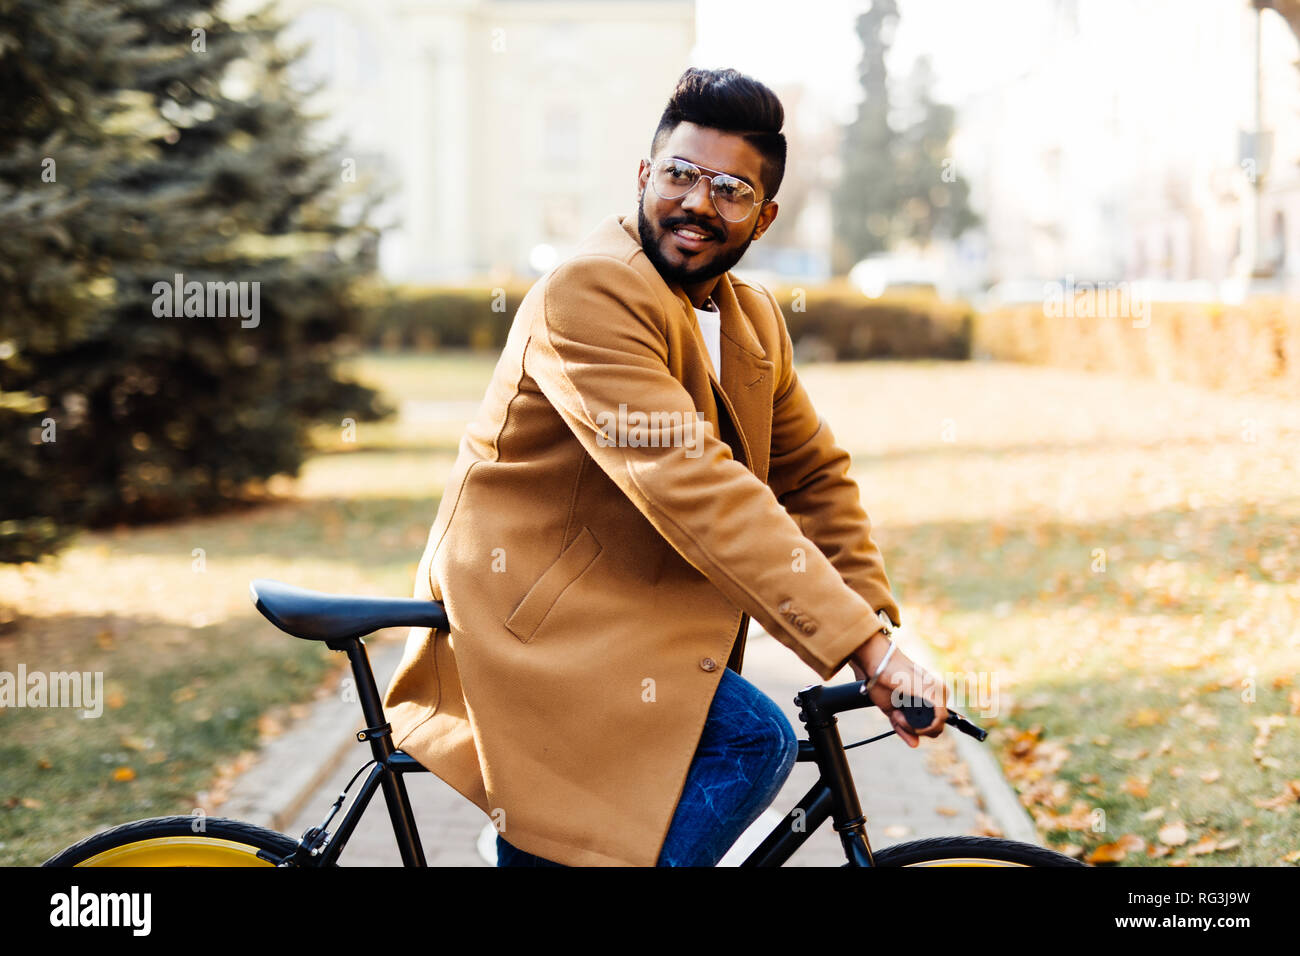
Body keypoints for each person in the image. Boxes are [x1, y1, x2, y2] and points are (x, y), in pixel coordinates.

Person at [381, 66, 948, 868]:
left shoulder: (750, 319)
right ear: (645, 175)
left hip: (626, 617)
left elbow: (813, 477)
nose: (696, 203)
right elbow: (694, 484)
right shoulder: (591, 292)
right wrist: (864, 651)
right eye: (680, 175)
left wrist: (876, 630)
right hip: (535, 615)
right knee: (751, 739)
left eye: (730, 189)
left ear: (764, 215)